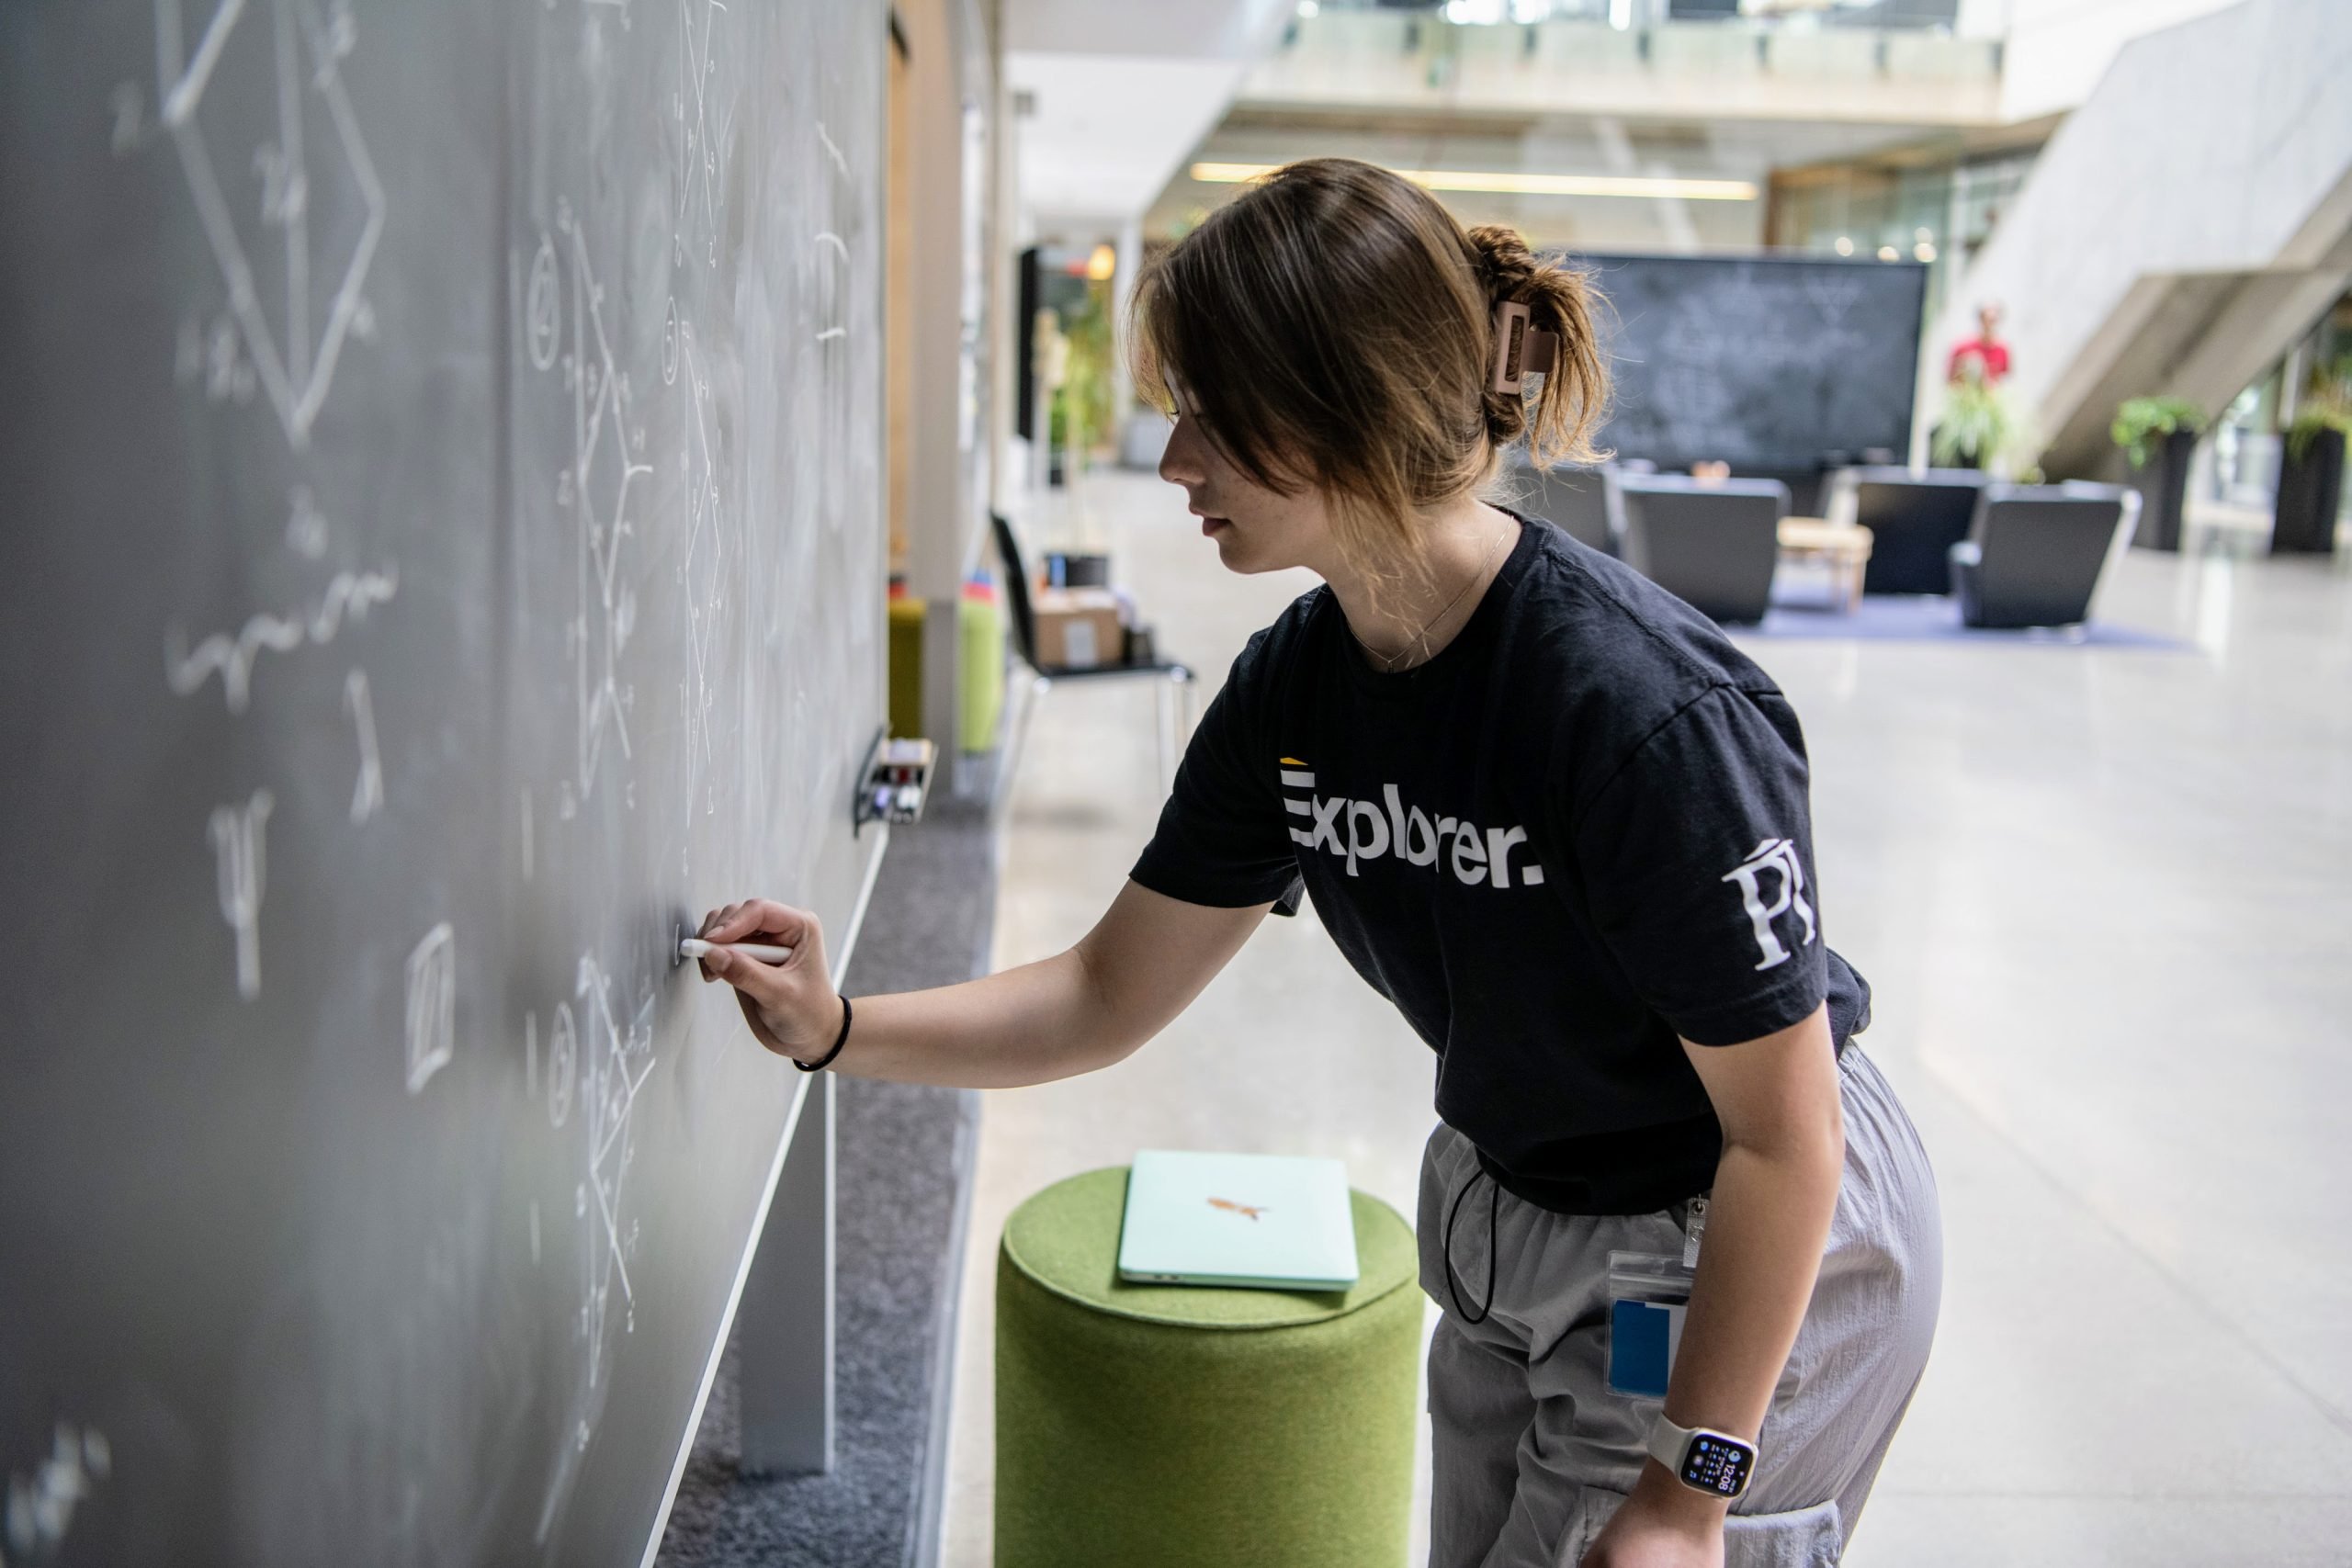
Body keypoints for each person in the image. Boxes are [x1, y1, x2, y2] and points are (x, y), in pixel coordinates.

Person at [696, 158, 1940, 1568]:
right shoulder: (1297, 687)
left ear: (1346, 402)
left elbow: (1787, 1133)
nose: (1176, 463)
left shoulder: (1640, 713)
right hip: (1509, 1204)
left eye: (1213, 418)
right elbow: (1108, 988)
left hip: (1732, 1232)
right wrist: (836, 1026)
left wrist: (1688, 1491)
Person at [1946, 300, 2010, 386]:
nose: (1989, 325)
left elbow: (2002, 380)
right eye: (1986, 320)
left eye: (1993, 321)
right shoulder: (1962, 347)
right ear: (1980, 320)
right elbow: (1951, 378)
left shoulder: (2002, 350)